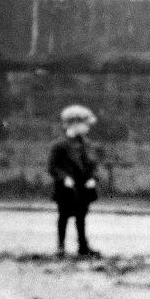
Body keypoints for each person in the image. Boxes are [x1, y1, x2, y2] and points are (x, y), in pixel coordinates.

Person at [48, 104, 102, 257]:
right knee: (63, 217)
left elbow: (93, 164)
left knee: (81, 217)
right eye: (85, 124)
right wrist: (64, 178)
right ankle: (60, 246)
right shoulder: (59, 145)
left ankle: (83, 246)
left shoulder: (86, 144)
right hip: (66, 188)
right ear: (74, 124)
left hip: (82, 187)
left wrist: (92, 178)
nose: (88, 128)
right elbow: (53, 167)